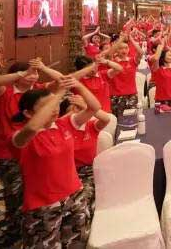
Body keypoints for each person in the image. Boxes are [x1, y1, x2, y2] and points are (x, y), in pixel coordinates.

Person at [11, 76, 101, 247]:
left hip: (74, 195)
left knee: (77, 242)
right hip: (44, 205)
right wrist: (58, 94)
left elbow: (94, 108)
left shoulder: (63, 124)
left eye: (55, 104)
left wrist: (78, 85)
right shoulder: (20, 136)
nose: (54, 109)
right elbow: (32, 127)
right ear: (28, 113)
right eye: (47, 106)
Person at [0, 59, 61, 237]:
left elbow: (62, 81)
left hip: (37, 149)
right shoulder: (5, 92)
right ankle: (15, 230)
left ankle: (35, 226)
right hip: (9, 152)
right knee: (15, 192)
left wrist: (43, 67)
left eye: (35, 73)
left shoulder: (38, 91)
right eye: (29, 73)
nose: (33, 76)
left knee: (36, 190)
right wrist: (21, 73)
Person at [59, 90, 111, 238]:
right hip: (69, 173)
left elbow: (106, 119)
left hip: (89, 171)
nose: (78, 113)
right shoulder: (61, 130)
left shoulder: (90, 126)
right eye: (73, 110)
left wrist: (88, 108)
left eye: (80, 109)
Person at [109, 34, 144, 117]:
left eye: (126, 48)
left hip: (131, 95)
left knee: (132, 118)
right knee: (118, 119)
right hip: (116, 95)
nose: (124, 50)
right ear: (116, 50)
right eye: (120, 48)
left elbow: (141, 52)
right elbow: (109, 53)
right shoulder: (112, 62)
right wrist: (121, 39)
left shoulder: (132, 61)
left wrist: (131, 38)